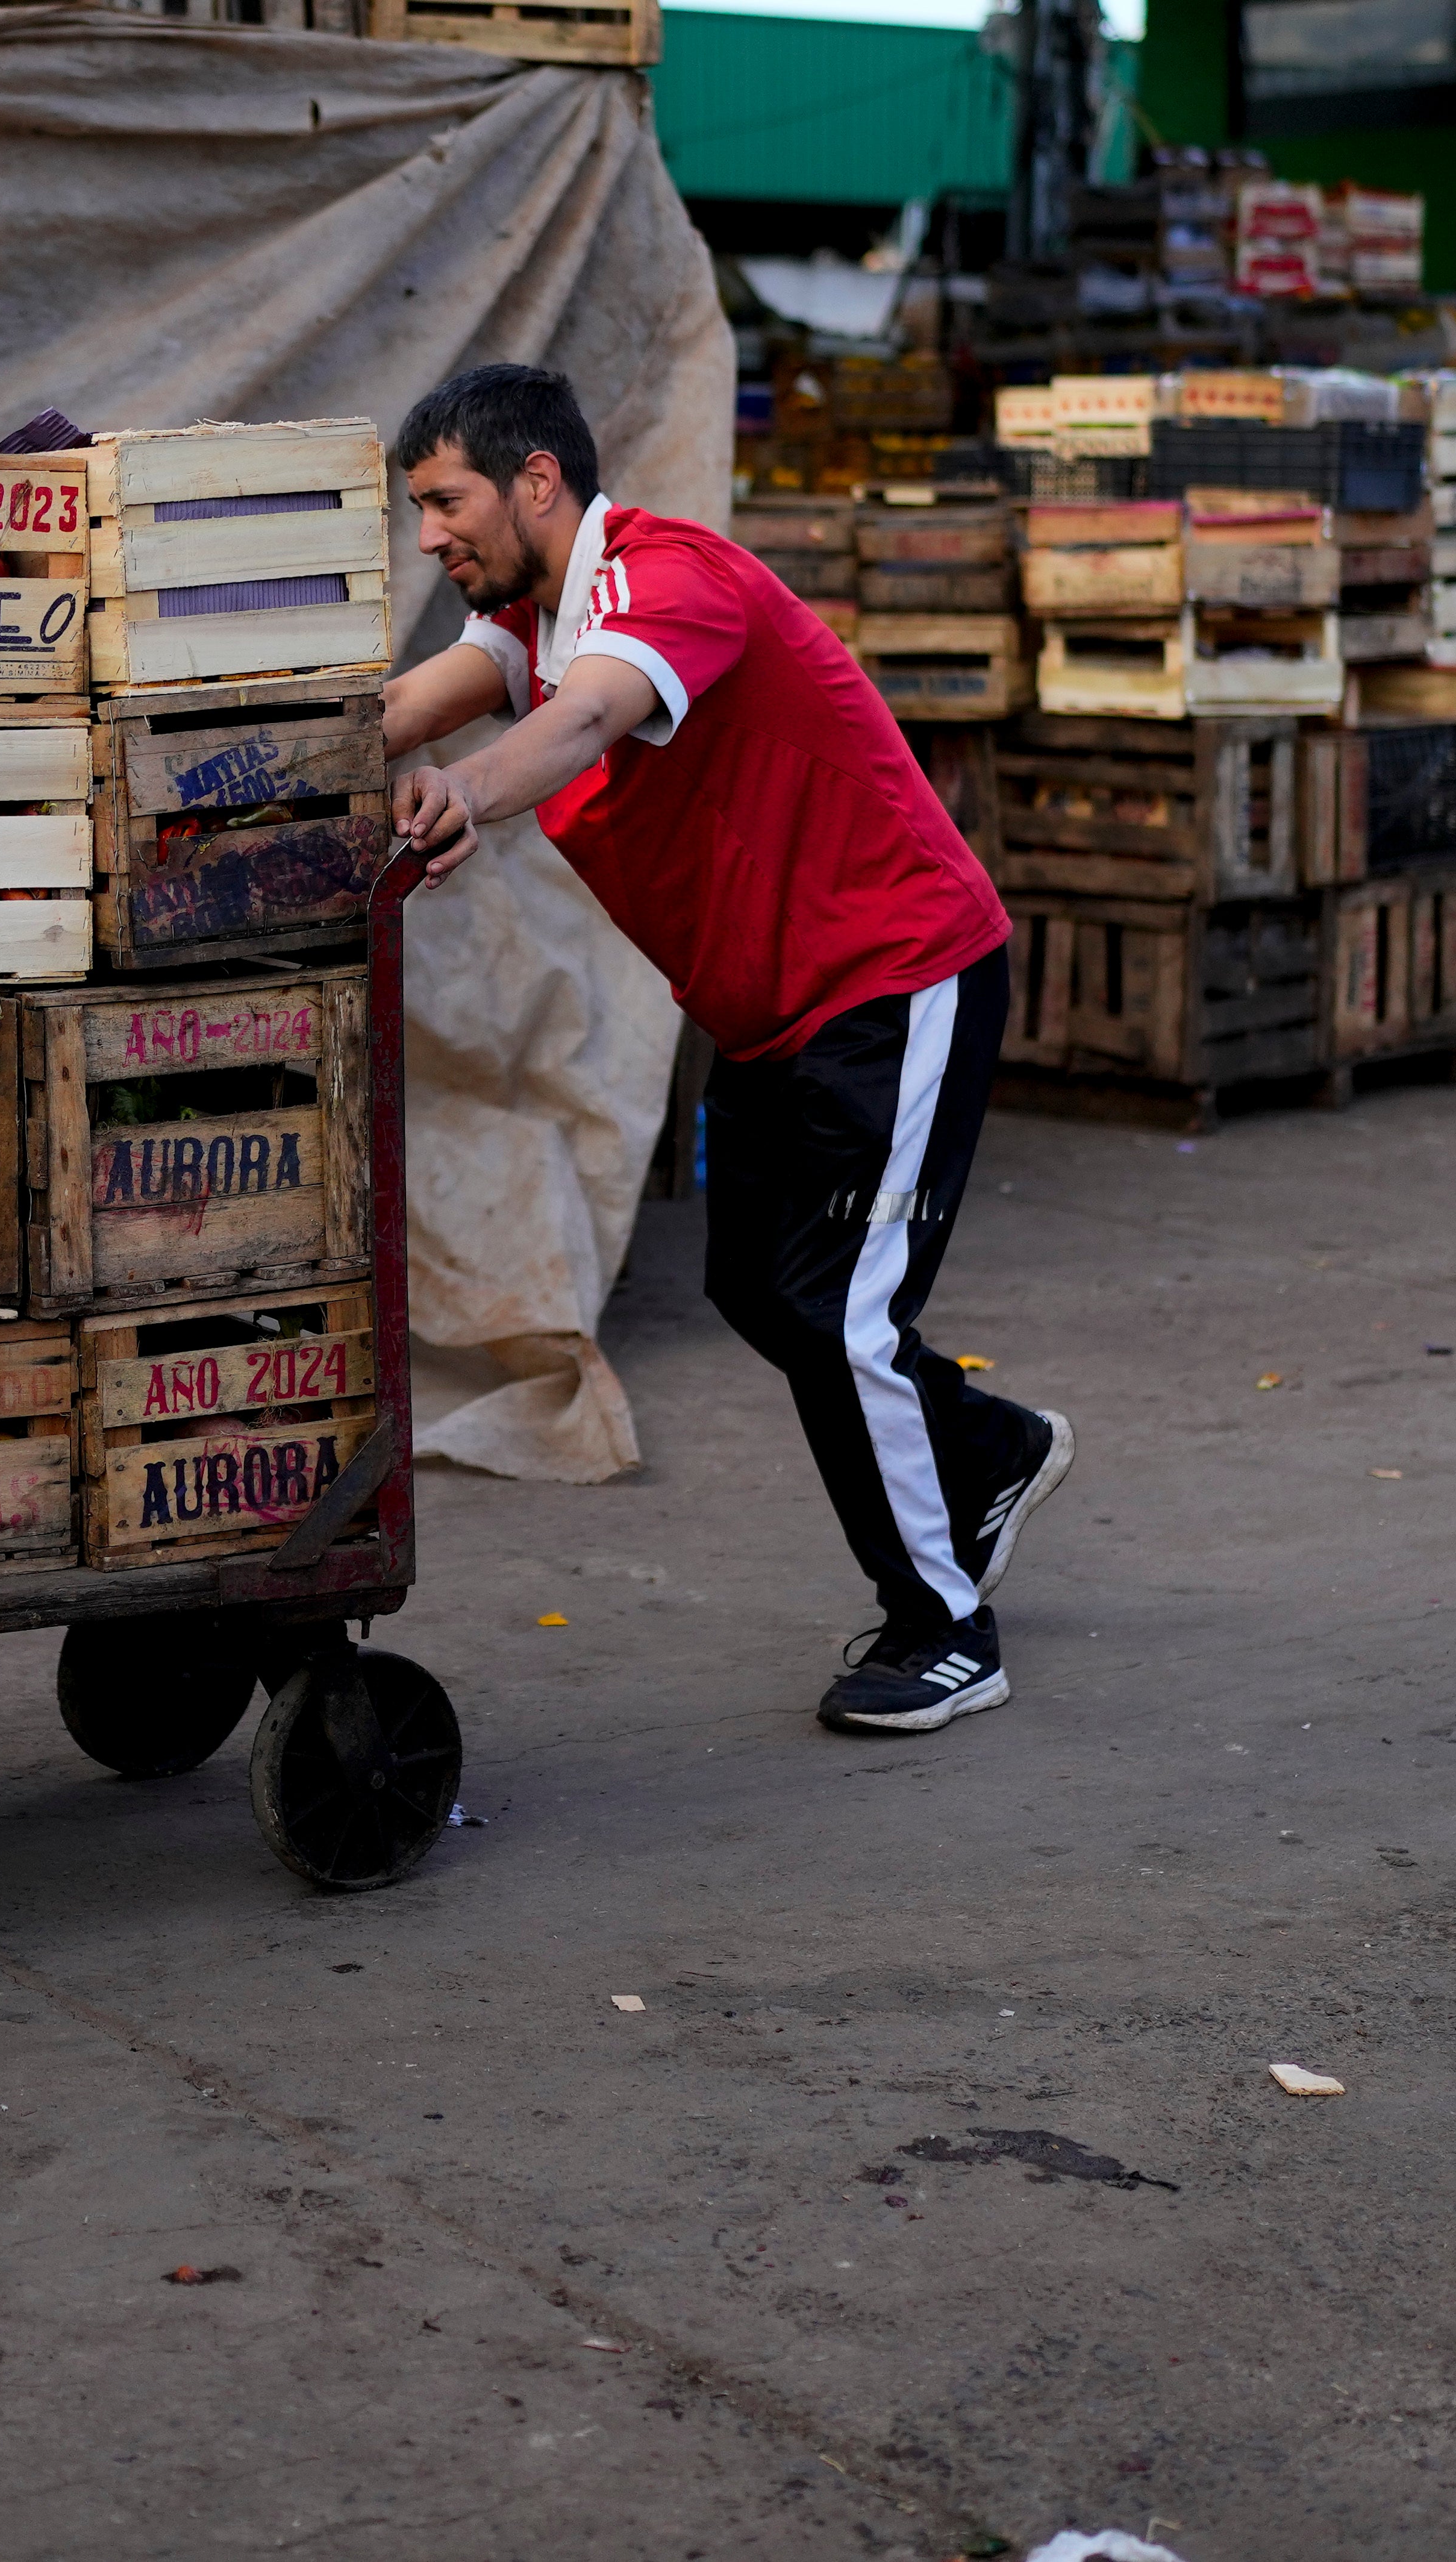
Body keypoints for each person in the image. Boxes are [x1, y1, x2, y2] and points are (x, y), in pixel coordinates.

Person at [377, 363, 1072, 1735]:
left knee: (843, 1312)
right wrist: (236, 757)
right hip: (775, 1010)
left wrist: (465, 791)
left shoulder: (666, 577)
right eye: (418, 511)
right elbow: (409, 706)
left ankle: (946, 1625)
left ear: (537, 480)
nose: (430, 538)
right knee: (760, 1285)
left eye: (446, 502)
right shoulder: (530, 620)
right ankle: (989, 1449)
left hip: (902, 979)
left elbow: (581, 719)